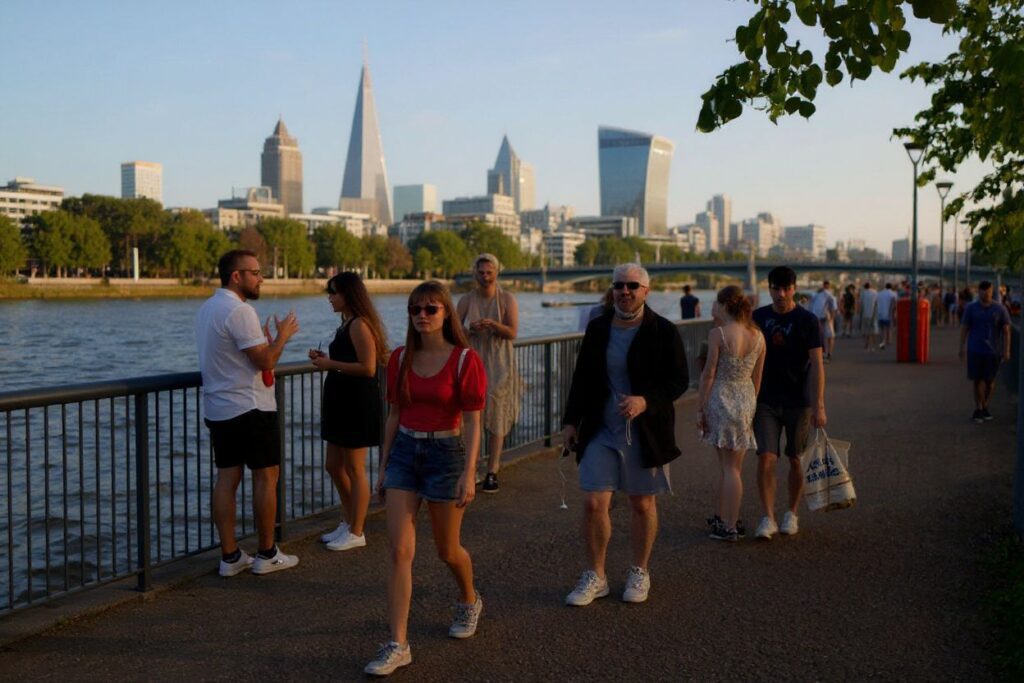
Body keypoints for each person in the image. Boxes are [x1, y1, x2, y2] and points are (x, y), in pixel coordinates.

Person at [364, 281, 486, 677]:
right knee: (399, 551)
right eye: (415, 309)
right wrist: (383, 466)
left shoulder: (465, 360)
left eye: (431, 309)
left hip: (445, 456)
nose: (421, 315)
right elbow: (395, 414)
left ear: (446, 314)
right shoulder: (399, 358)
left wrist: (470, 474)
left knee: (448, 550)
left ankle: (469, 599)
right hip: (404, 454)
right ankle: (398, 643)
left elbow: (472, 420)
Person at [561, 263, 688, 605]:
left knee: (642, 503)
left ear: (646, 291)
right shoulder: (598, 328)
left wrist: (646, 401)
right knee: (592, 502)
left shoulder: (663, 331)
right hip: (600, 429)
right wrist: (571, 421)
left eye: (633, 286)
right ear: (612, 290)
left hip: (644, 431)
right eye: (619, 285)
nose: (625, 291)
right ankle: (596, 575)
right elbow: (582, 377)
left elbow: (679, 381)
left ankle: (639, 570)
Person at [195, 249, 300, 577]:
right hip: (250, 407)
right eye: (255, 272)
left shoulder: (207, 308)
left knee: (227, 479)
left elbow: (241, 355)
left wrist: (267, 343)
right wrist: (282, 337)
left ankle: (229, 557)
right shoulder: (240, 312)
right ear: (236, 276)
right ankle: (266, 553)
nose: (261, 278)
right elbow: (265, 362)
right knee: (266, 476)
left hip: (219, 406)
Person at [310, 272, 388, 552]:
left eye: (333, 293)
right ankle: (349, 519)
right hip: (341, 399)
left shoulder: (359, 325)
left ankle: (357, 530)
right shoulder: (346, 324)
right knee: (333, 464)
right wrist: (327, 361)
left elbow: (368, 368)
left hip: (356, 401)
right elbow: (347, 360)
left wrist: (331, 364)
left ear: (348, 295)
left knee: (355, 468)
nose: (330, 298)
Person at [752, 266, 827, 540]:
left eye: (786, 288)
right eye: (775, 288)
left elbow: (818, 365)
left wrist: (819, 405)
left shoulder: (808, 320)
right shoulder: (758, 317)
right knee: (766, 457)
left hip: (799, 401)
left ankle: (791, 513)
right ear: (769, 288)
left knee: (796, 458)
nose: (781, 294)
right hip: (765, 400)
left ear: (794, 288)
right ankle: (767, 517)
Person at [698, 285, 765, 542]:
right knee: (732, 467)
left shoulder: (718, 334)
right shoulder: (759, 336)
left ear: (725, 305)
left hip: (721, 398)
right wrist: (750, 403)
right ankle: (726, 516)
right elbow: (758, 377)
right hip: (745, 398)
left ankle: (728, 526)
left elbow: (709, 374)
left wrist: (700, 407)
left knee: (728, 468)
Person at [457, 253, 520, 494]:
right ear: (475, 273)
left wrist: (494, 325)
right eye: (481, 272)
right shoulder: (465, 300)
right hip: (473, 361)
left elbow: (512, 332)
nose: (485, 276)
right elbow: (452, 330)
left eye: (489, 272)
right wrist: (469, 329)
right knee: (472, 417)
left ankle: (492, 470)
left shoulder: (507, 299)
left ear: (496, 273)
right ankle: (471, 468)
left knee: (496, 416)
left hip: (500, 362)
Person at [959, 281, 1011, 423]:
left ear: (992, 292)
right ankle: (979, 407)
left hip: (993, 351)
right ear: (979, 292)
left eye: (988, 292)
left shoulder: (1000, 309)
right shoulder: (971, 308)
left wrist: (1006, 350)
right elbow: (965, 327)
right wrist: (961, 347)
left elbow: (1006, 331)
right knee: (977, 380)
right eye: (983, 291)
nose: (985, 294)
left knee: (990, 381)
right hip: (975, 349)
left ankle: (985, 405)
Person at [809, 280, 837, 362]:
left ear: (823, 285)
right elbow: (833, 307)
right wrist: (832, 318)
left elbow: (811, 306)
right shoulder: (830, 294)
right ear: (829, 286)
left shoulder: (817, 294)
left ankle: (821, 354)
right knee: (830, 336)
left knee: (820, 336)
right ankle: (829, 354)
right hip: (827, 317)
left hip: (817, 317)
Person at [856, 281, 879, 351]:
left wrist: (859, 312)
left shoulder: (863, 293)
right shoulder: (875, 292)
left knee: (866, 331)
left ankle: (867, 344)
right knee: (873, 331)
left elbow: (860, 304)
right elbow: (877, 303)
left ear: (864, 287)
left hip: (865, 314)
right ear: (870, 286)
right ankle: (873, 345)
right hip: (873, 314)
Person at [876, 282, 898, 350]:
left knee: (881, 329)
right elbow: (894, 304)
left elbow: (876, 303)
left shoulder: (879, 293)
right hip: (889, 314)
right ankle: (888, 341)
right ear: (891, 287)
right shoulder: (893, 294)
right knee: (889, 328)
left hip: (880, 314)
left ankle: (882, 342)